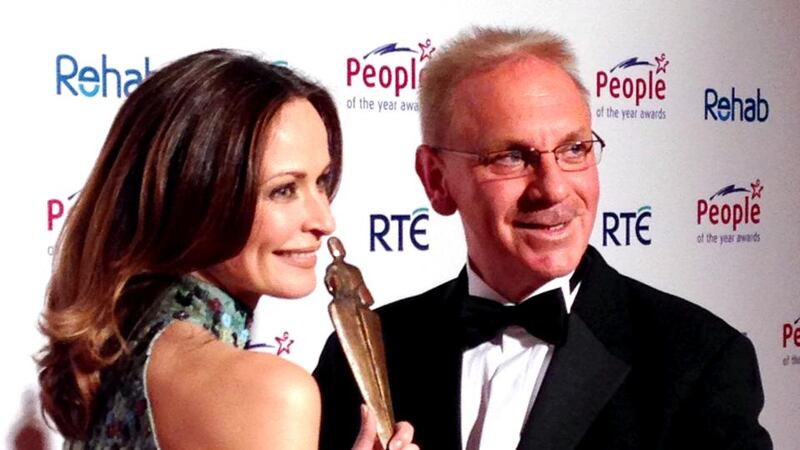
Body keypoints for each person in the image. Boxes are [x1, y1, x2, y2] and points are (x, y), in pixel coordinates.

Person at [314, 27, 772, 450]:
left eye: (574, 149)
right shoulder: (361, 357)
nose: (553, 188)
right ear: (436, 180)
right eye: (511, 157)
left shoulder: (699, 360)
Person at [37, 49, 418, 450]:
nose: (324, 220)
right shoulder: (273, 395)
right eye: (284, 190)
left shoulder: (118, 349)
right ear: (195, 197)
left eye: (321, 181)